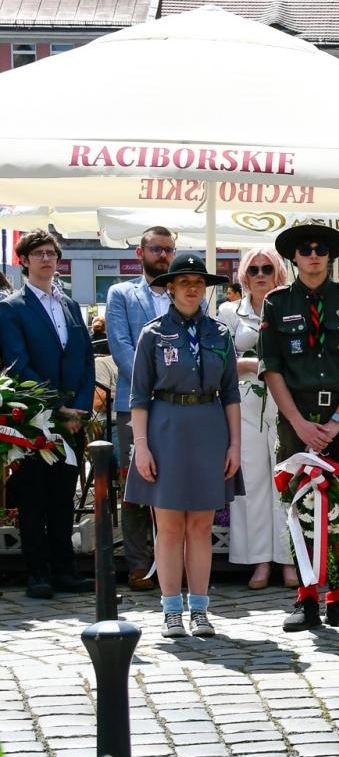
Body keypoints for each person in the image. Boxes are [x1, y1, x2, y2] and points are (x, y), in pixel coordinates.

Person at [259, 225, 339, 632]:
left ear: (330, 257)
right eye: (305, 250)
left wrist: (338, 419)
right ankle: (305, 598)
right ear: (294, 257)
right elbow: (271, 370)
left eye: (321, 249)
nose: (313, 255)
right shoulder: (276, 303)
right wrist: (299, 423)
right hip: (297, 420)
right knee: (298, 504)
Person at [125, 253, 242, 637]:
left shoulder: (219, 334)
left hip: (209, 428)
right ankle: (171, 608)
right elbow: (139, 397)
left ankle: (200, 608)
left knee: (202, 525)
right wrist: (141, 446)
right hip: (166, 429)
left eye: (199, 282)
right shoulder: (153, 334)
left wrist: (234, 446)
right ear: (170, 287)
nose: (193, 288)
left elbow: (230, 395)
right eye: (184, 281)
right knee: (170, 525)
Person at [0, 228, 94, 599]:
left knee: (63, 497)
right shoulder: (11, 307)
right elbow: (16, 362)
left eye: (51, 253)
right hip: (33, 419)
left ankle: (65, 570)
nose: (46, 259)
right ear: (23, 261)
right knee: (33, 498)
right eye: (38, 253)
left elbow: (86, 358)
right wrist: (57, 407)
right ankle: (37, 572)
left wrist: (81, 407)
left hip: (73, 418)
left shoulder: (70, 305)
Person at [217, 247, 295, 590]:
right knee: (252, 484)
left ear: (278, 273)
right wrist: (251, 365)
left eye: (267, 268)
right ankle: (259, 560)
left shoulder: (293, 309)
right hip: (245, 403)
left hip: (286, 403)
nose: (260, 275)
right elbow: (219, 362)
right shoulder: (228, 311)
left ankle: (290, 559)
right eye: (253, 270)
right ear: (243, 277)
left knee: (286, 482)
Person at [104, 225, 174, 589]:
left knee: (175, 483)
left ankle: (172, 560)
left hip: (182, 407)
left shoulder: (186, 293)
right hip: (135, 403)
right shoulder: (121, 293)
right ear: (140, 253)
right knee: (134, 485)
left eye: (168, 250)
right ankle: (138, 563)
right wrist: (157, 388)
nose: (163, 255)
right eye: (156, 249)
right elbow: (121, 348)